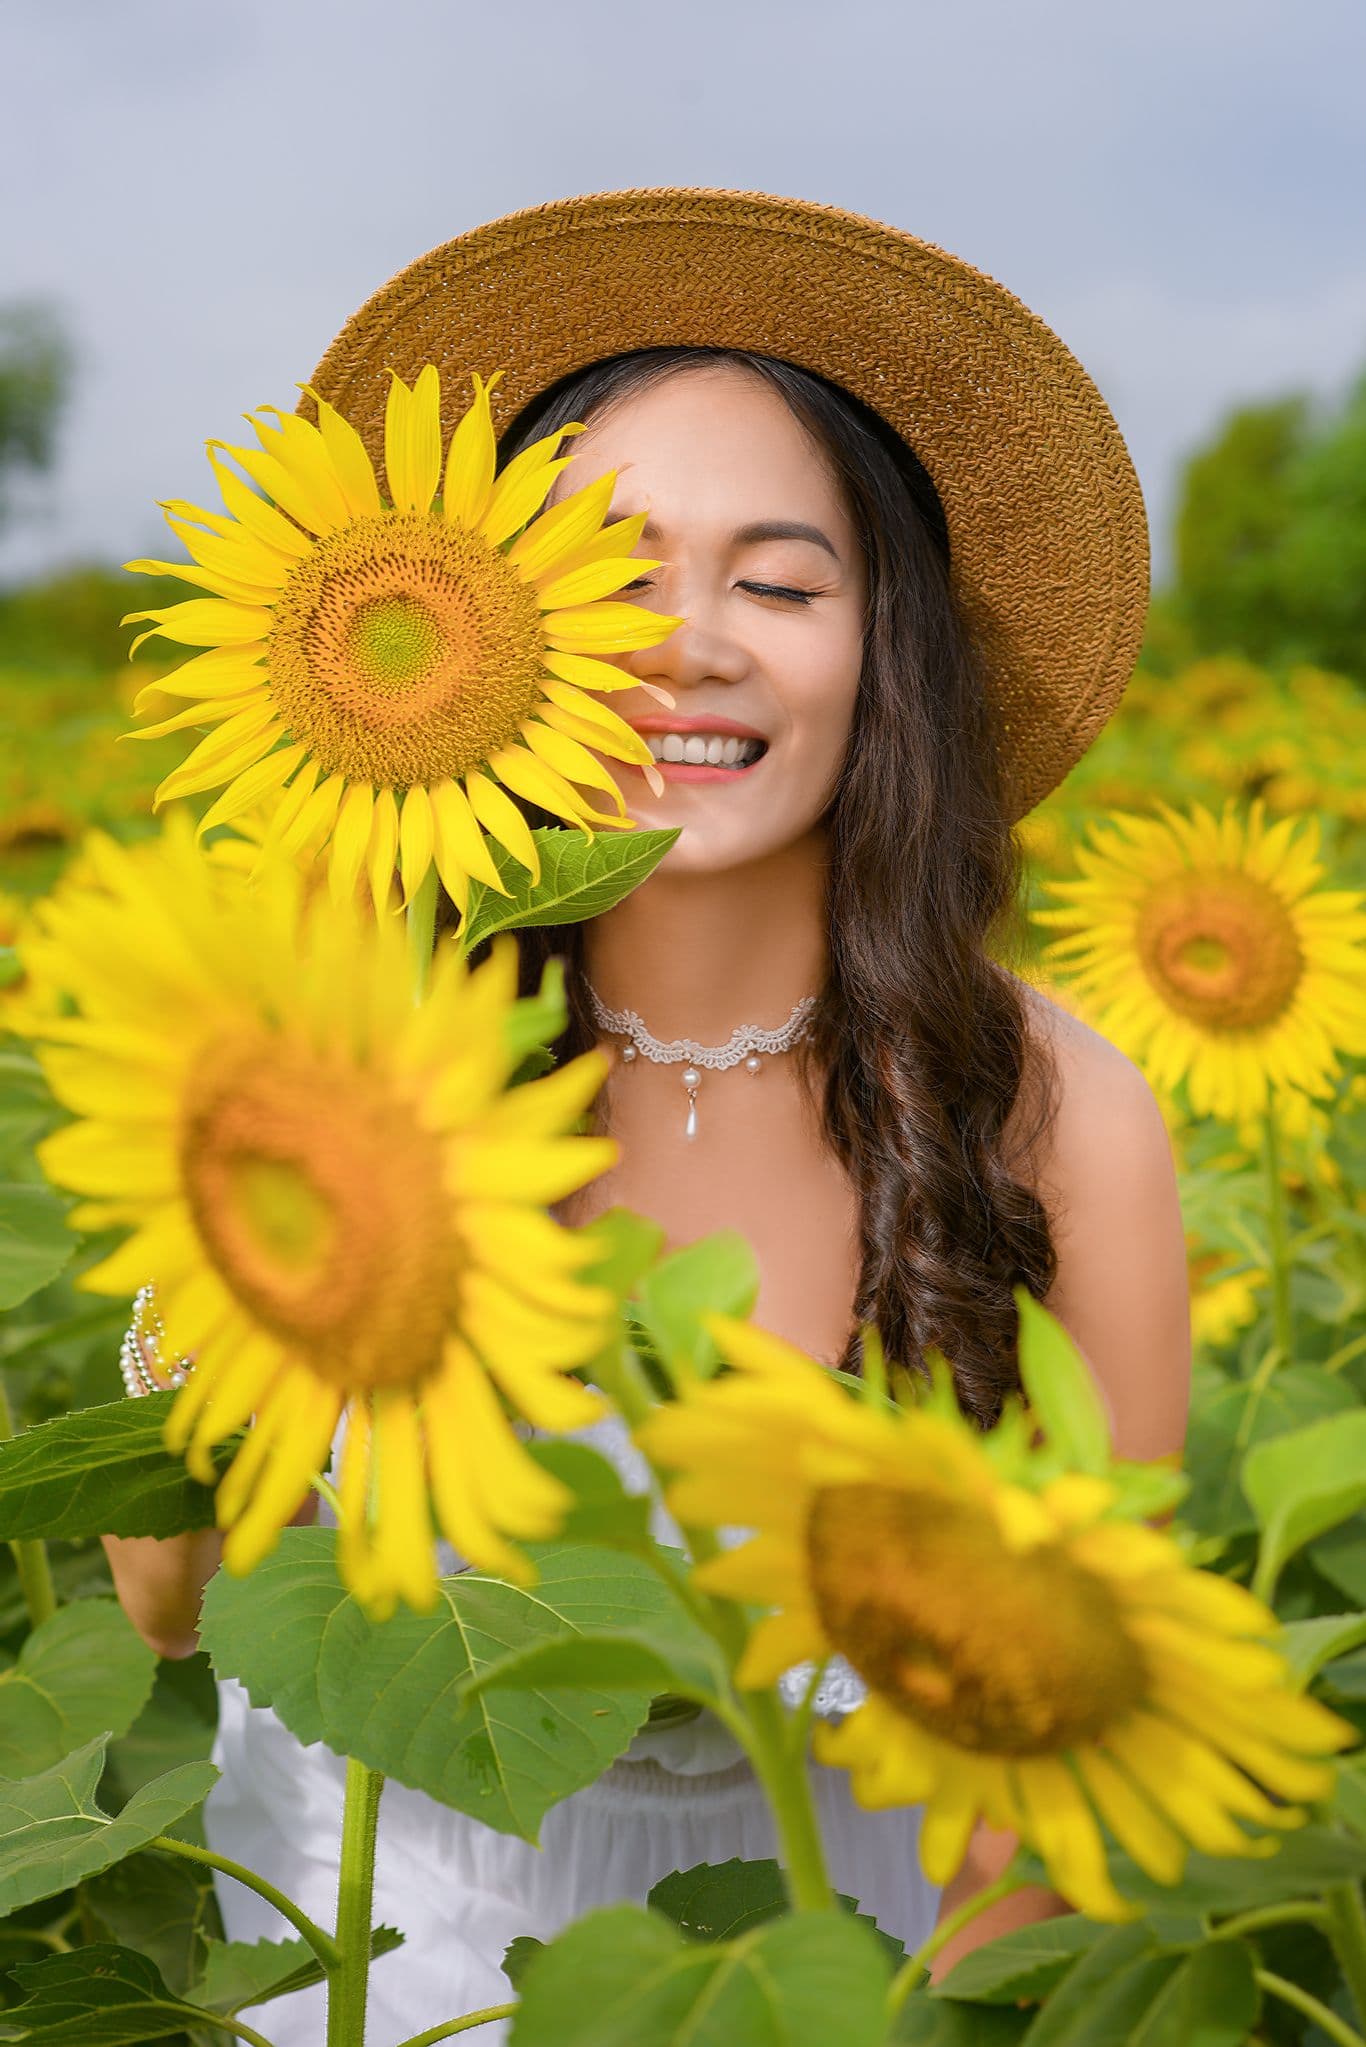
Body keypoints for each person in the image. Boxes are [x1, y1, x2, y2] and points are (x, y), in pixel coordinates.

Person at [102, 188, 1191, 2046]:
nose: (688, 644)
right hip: (373, 1989)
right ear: (464, 635)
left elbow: (1064, 1767)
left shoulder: (1045, 1104)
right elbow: (171, 1607)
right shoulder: (337, 1048)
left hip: (844, 1994)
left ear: (887, 651)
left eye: (776, 582)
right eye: (607, 577)